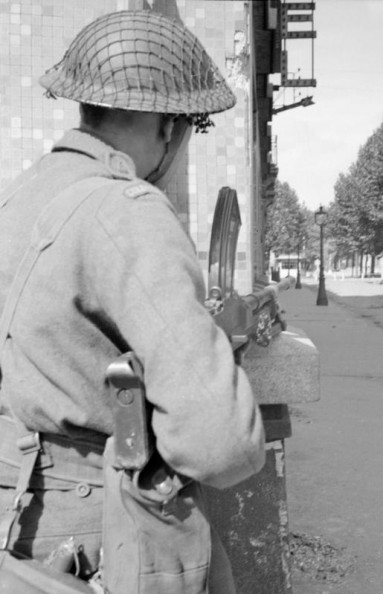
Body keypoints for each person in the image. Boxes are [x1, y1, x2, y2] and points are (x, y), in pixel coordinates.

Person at [0, 9, 265, 593]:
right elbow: (219, 444)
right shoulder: (128, 208)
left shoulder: (16, 198)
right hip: (99, 532)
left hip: (16, 517)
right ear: (168, 126)